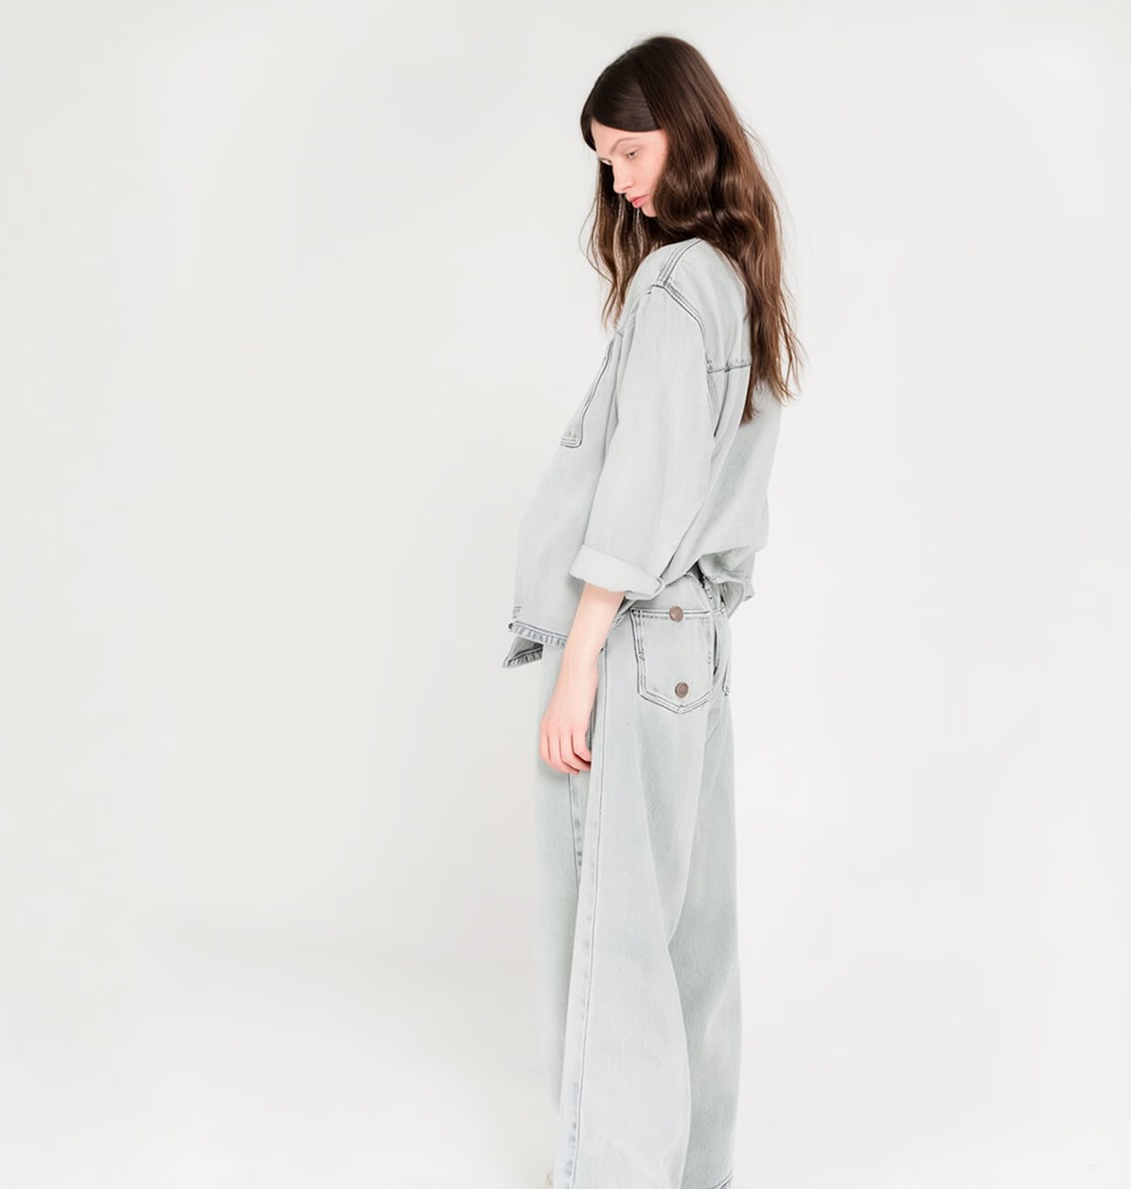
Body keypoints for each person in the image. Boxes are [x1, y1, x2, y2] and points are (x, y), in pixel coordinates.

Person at [500, 34, 802, 1189]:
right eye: (604, 160)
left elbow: (639, 492)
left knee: (614, 937)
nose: (617, 179)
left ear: (685, 129)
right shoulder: (736, 275)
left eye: (629, 151)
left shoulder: (675, 286)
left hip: (632, 639)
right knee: (687, 936)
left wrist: (578, 658)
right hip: (695, 642)